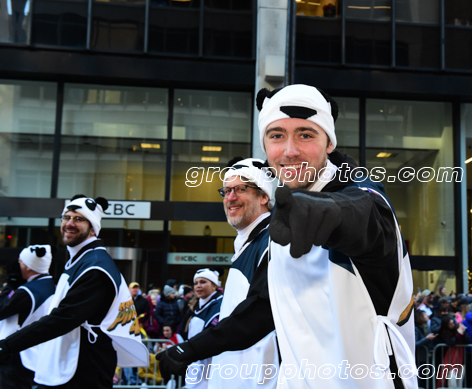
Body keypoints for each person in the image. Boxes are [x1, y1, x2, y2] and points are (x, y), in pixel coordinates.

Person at [158, 84, 417, 388]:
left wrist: (320, 210)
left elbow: (362, 216)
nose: (290, 151)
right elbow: (259, 312)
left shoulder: (366, 198)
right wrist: (191, 349)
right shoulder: (283, 217)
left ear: (329, 143)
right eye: (277, 135)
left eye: (306, 135)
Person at [0, 195, 149, 388]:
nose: (69, 223)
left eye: (79, 219)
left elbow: (63, 318)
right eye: (66, 217)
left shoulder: (96, 267)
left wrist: (7, 345)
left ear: (93, 227)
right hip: (70, 363)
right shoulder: (81, 260)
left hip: (82, 369)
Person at [205, 157, 279, 389]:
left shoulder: (272, 243)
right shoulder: (248, 243)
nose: (230, 198)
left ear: (264, 196)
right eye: (226, 191)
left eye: (240, 189)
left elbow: (257, 320)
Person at [0, 245, 55, 389]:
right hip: (34, 355)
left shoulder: (28, 291)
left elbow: (1, 309)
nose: (17, 265)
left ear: (29, 267)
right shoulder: (49, 285)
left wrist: (11, 284)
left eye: (20, 262)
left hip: (17, 356)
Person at [184, 269, 222, 389]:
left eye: (203, 282)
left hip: (210, 365)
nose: (198, 286)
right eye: (196, 283)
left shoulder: (219, 305)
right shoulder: (198, 306)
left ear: (214, 286)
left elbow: (211, 335)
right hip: (196, 363)